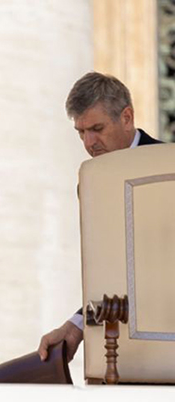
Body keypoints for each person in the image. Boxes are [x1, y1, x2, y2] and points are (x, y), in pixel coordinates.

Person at [38, 72, 162, 363]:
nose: (89, 142)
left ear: (127, 117)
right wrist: (76, 325)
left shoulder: (168, 166)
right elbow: (109, 268)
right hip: (116, 350)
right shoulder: (90, 183)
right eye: (81, 132)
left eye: (97, 128)